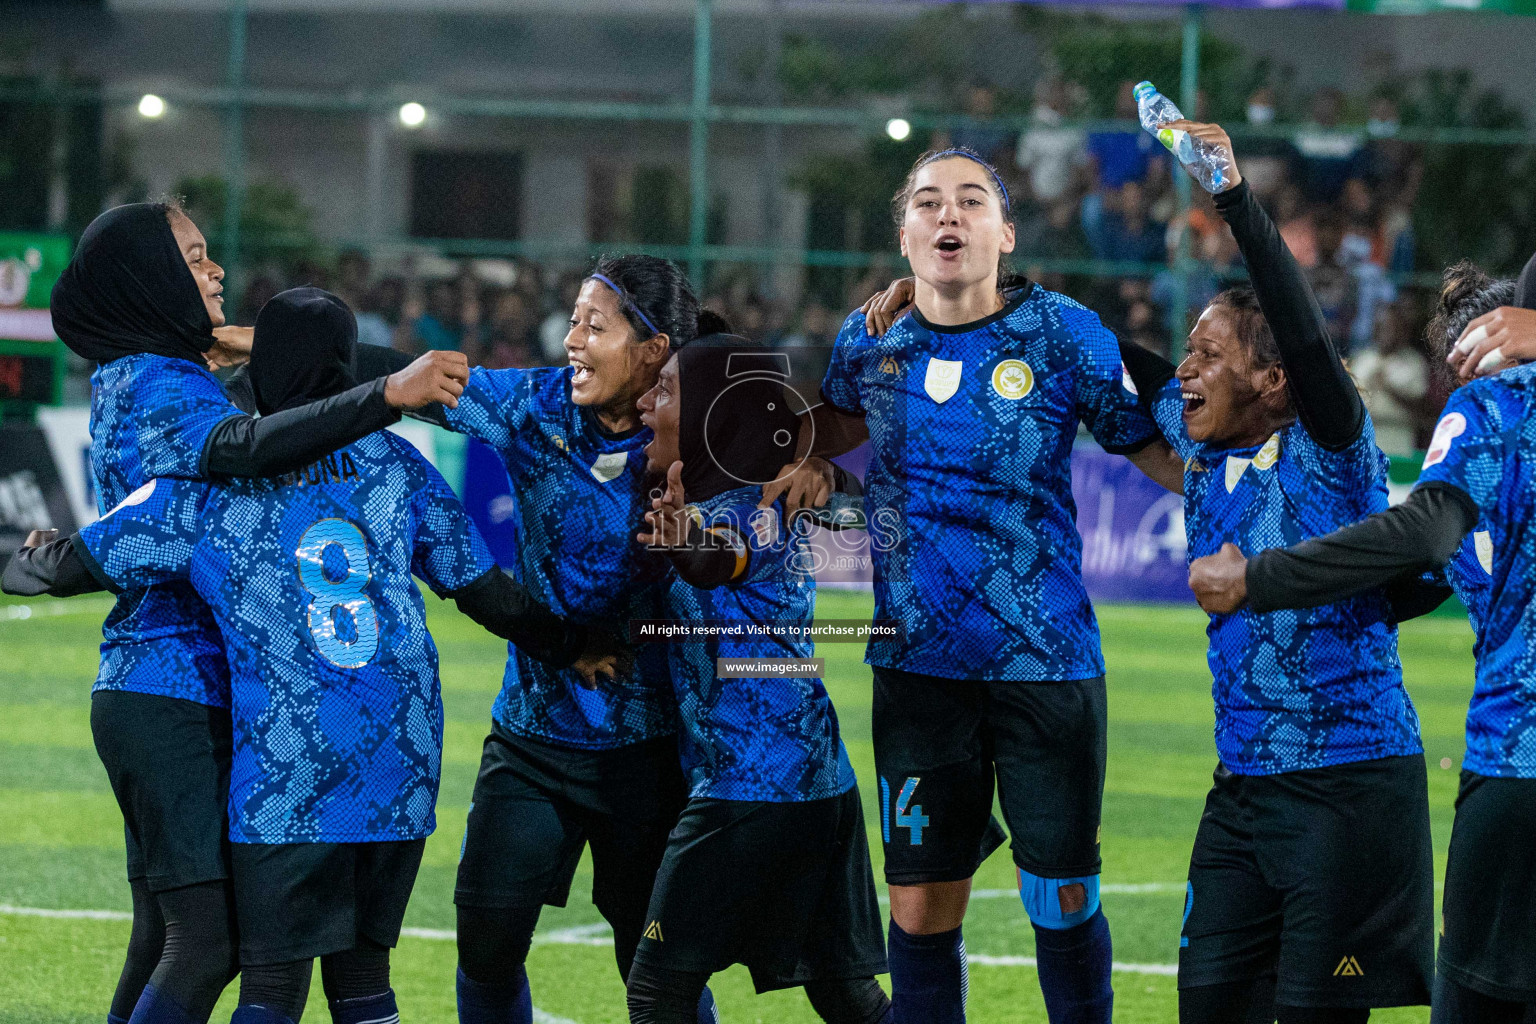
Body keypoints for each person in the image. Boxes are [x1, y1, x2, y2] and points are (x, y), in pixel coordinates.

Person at [6, 287, 618, 1024]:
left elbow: (74, 563)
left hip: (292, 764)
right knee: (365, 981)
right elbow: (483, 590)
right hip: (403, 754)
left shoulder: (210, 487)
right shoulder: (398, 464)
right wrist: (572, 644)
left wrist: (29, 559)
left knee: (271, 983)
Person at [765, 146, 1182, 1024]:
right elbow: (838, 419)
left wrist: (1247, 487)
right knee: (920, 906)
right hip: (916, 670)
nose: (947, 215)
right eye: (927, 203)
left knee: (1061, 899)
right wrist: (804, 456)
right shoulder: (869, 336)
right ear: (905, 233)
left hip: (1047, 665)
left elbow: (1151, 450)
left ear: (1005, 231)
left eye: (969, 201)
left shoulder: (1065, 334)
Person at [46, 202, 468, 1024]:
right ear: (149, 278)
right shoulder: (163, 383)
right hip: (176, 683)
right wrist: (385, 391)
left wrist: (272, 347)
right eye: (194, 259)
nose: (216, 273)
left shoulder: (157, 370)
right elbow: (253, 447)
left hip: (168, 684)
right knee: (207, 941)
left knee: (168, 935)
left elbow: (320, 370)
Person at [363, 255, 742, 1024]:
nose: (570, 339)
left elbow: (776, 489)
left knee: (656, 970)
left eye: (593, 326)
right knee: (487, 947)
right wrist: (269, 345)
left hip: (651, 750)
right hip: (533, 739)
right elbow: (424, 378)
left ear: (653, 350)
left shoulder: (700, 437)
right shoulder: (533, 404)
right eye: (571, 320)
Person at [1115, 121, 1434, 1024]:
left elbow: (1299, 325)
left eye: (1211, 355)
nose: (1187, 370)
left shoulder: (1331, 447)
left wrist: (1234, 202)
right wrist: (972, 296)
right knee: (1205, 1004)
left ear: (1274, 380)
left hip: (1349, 787)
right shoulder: (1205, 449)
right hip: (1242, 793)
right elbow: (1107, 360)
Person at [1186, 255, 1536, 1024]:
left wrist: (1262, 579)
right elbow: (1419, 571)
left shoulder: (1490, 421)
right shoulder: (1489, 473)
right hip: (1476, 770)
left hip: (1475, 768)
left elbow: (1423, 533)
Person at [622, 336, 889, 1024]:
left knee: (657, 991)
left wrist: (685, 542)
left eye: (669, 391)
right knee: (844, 995)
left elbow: (718, 561)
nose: (649, 401)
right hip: (818, 785)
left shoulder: (753, 506)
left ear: (714, 413)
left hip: (751, 791)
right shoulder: (739, 494)